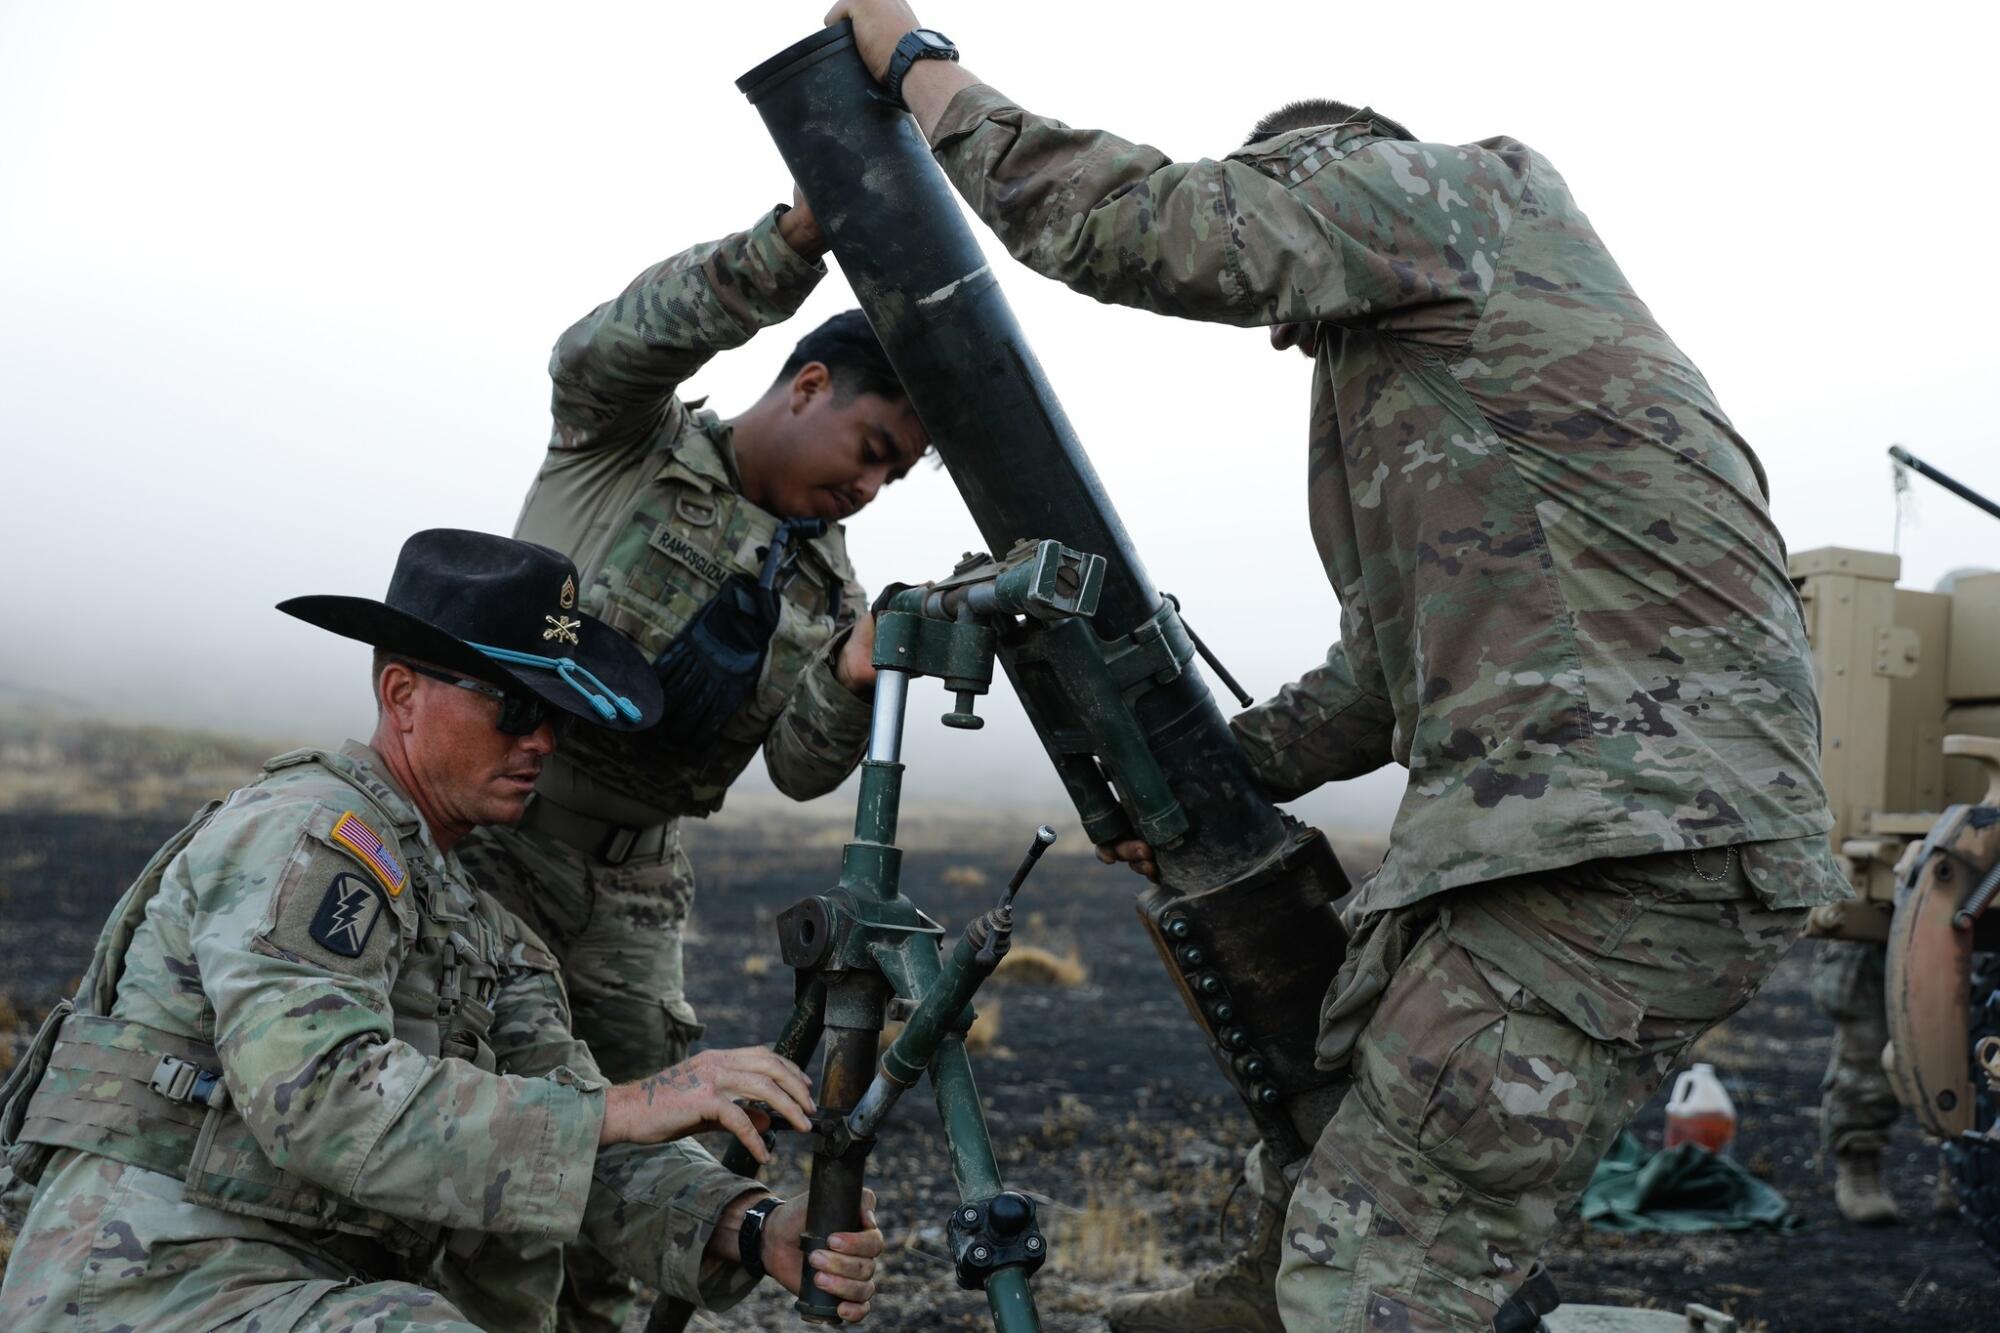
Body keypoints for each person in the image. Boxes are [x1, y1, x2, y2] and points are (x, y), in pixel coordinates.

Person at [824, 4, 1850, 1330]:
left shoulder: (1451, 192)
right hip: (1572, 834)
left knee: (1376, 1274)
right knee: (1327, 1171)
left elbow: (1130, 222)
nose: (1291, 331)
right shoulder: (1445, 374)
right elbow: (1375, 683)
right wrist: (1196, 782)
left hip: (1619, 837)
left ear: (1320, 179)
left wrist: (916, 69)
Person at [0, 530, 883, 1331]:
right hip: (152, 1272)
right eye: (512, 704)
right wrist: (637, 1099)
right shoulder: (317, 834)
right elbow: (319, 1098)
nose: (541, 738)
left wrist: (753, 1226)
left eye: (558, 712)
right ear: (403, 693)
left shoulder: (483, 931)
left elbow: (583, 1143)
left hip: (304, 1284)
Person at [457, 193, 927, 1331]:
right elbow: (603, 347)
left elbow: (803, 769)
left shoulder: (827, 591)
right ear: (808, 385)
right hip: (484, 848)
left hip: (630, 894)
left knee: (631, 1164)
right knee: (466, 1137)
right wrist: (795, 240)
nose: (868, 487)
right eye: (870, 451)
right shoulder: (626, 441)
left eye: (893, 479)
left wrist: (857, 678)